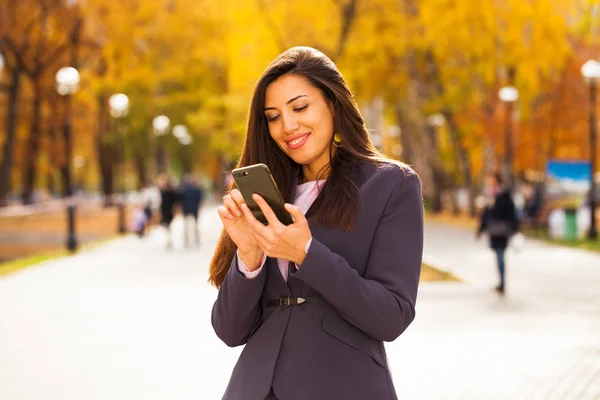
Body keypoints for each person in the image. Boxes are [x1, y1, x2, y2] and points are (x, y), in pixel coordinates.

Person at [208, 47, 424, 400]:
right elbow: (230, 331)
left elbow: (392, 315)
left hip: (342, 385)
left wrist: (307, 254)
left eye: (300, 107)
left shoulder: (390, 184)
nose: (287, 126)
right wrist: (248, 255)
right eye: (273, 116)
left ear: (333, 103)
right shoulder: (270, 194)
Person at [477, 173, 519, 295]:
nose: (490, 182)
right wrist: (480, 228)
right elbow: (485, 213)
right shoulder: (488, 194)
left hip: (502, 230)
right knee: (497, 255)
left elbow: (511, 211)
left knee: (500, 255)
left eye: (492, 180)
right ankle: (500, 281)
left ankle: (502, 282)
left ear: (497, 180)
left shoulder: (504, 194)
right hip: (492, 230)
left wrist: (513, 228)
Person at [180, 174, 204, 247]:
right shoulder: (197, 189)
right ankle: (196, 239)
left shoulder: (183, 190)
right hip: (194, 208)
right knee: (195, 225)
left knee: (186, 225)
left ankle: (186, 240)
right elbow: (200, 200)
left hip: (186, 209)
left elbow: (180, 200)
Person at [157, 174, 180, 249]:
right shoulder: (171, 191)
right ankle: (168, 239)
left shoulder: (163, 192)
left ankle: (168, 239)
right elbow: (177, 200)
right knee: (168, 225)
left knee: (167, 225)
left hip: (166, 210)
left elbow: (160, 202)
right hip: (170, 210)